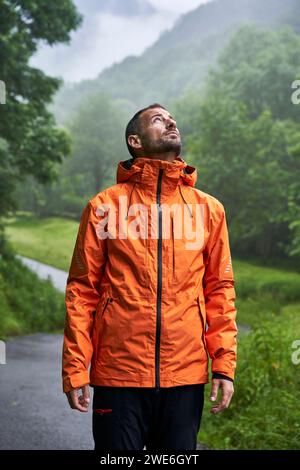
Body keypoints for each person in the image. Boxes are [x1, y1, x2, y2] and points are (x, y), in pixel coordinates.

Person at [62, 103, 238, 451]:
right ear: (135, 140)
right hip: (119, 373)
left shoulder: (209, 209)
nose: (171, 121)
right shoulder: (104, 206)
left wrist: (223, 364)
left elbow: (220, 290)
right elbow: (82, 291)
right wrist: (76, 367)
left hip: (184, 376)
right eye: (158, 119)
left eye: (172, 118)